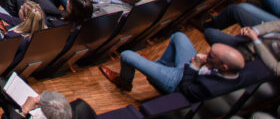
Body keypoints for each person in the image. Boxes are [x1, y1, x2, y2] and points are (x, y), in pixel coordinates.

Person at [100, 33, 253, 101]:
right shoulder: (242, 69)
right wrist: (205, 62)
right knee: (178, 36)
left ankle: (125, 81)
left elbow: (186, 88)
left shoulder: (210, 88)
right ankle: (157, 67)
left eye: (211, 56)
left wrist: (196, 65)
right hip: (194, 70)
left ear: (224, 67)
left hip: (179, 81)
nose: (205, 53)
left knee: (127, 55)